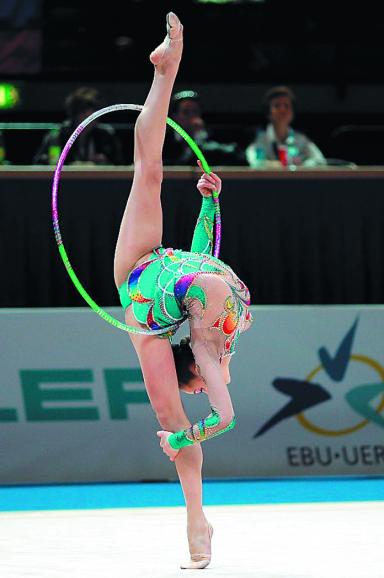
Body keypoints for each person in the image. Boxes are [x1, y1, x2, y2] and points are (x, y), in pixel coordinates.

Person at [114, 13, 252, 570]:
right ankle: (166, 69)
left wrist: (183, 436)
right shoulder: (222, 324)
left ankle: (196, 517)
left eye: (200, 383)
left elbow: (223, 416)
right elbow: (200, 259)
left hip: (140, 286)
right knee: (149, 168)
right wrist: (208, 204)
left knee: (146, 167)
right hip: (174, 268)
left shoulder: (201, 344)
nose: (206, 386)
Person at [33, 86, 123, 165]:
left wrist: (106, 163)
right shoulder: (57, 135)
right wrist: (69, 166)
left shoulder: (106, 135)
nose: (92, 117)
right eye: (84, 113)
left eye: (95, 112)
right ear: (75, 114)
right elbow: (46, 164)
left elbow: (119, 164)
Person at [246, 85, 326, 168]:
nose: (282, 110)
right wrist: (281, 166)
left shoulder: (301, 140)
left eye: (286, 105)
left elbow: (319, 161)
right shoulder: (260, 139)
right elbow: (255, 163)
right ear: (268, 113)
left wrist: (300, 167)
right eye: (277, 105)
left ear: (292, 113)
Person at [163, 89, 245, 165]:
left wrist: (200, 139)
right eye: (186, 112)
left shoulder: (212, 137)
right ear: (175, 116)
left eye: (195, 111)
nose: (191, 116)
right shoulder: (164, 139)